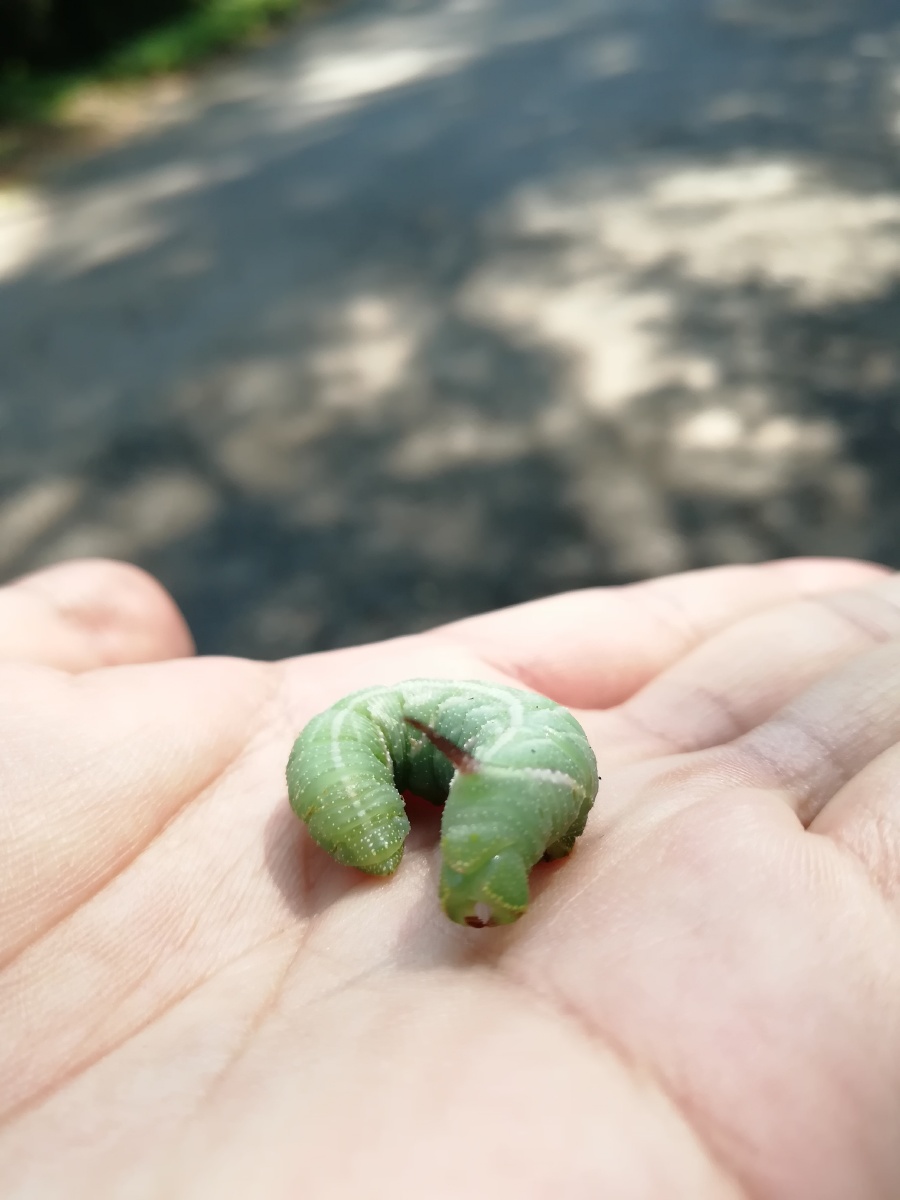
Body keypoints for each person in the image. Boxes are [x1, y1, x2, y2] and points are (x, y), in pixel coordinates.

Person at [1, 555, 898, 1198]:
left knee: (493, 839)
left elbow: (448, 804)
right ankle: (518, 843)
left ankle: (502, 853)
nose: (377, 846)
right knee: (503, 826)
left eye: (363, 819)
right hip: (538, 769)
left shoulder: (423, 745)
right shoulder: (405, 742)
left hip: (529, 762)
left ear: (379, 777)